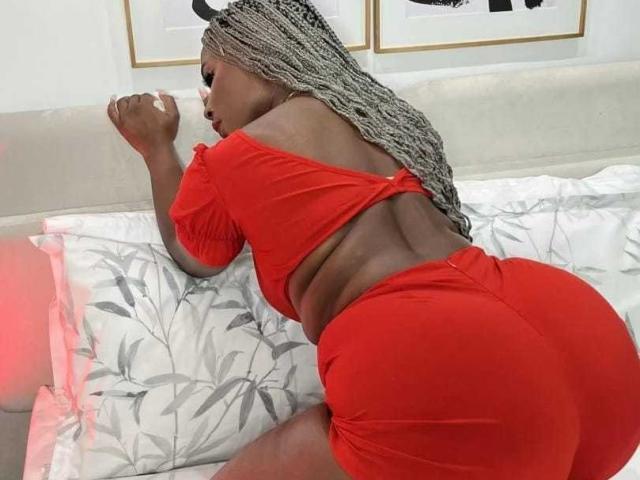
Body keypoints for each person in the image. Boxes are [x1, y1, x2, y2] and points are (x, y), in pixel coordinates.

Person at [107, 1, 640, 479]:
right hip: (580, 335)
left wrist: (157, 147)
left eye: (210, 75)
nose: (205, 104)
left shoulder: (233, 157)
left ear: (254, 52)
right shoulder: (391, 122)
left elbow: (195, 253)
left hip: (437, 359)